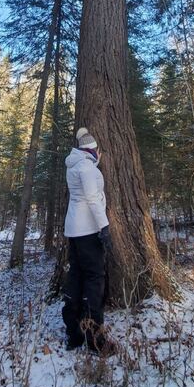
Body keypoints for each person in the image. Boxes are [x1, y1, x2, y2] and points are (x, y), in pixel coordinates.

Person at [62, 127, 115, 355]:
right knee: (94, 278)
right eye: (97, 150)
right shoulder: (87, 168)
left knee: (76, 275)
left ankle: (73, 332)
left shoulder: (74, 164)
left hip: (74, 230)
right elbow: (93, 199)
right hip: (89, 230)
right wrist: (104, 227)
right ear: (92, 150)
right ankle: (96, 339)